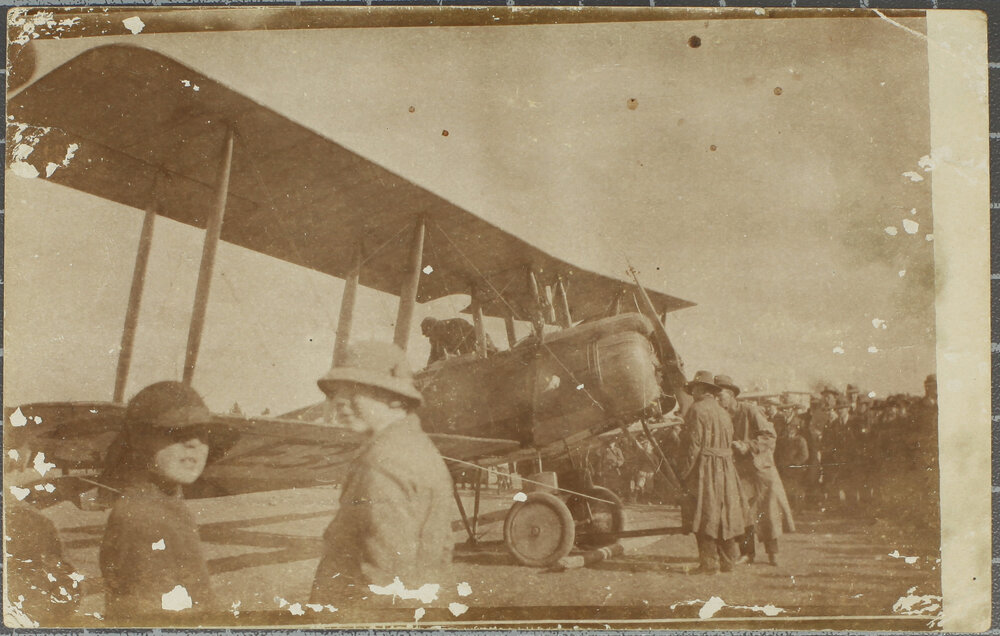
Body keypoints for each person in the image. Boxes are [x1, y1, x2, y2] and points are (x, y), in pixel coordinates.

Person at [310, 341, 454, 618]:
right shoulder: (423, 450)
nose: (339, 402)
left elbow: (384, 582)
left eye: (354, 389)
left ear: (395, 398)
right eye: (337, 392)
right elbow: (442, 550)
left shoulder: (381, 464)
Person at [99, 381, 229, 622]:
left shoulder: (164, 506)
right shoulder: (144, 521)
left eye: (202, 433)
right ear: (138, 441)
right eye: (176, 432)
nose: (194, 443)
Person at [716, 375, 794, 566]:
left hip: (761, 470)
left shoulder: (749, 410)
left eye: (720, 395)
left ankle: (773, 552)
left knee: (768, 511)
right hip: (740, 473)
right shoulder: (720, 416)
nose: (717, 400)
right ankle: (747, 553)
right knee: (743, 512)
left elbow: (769, 436)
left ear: (731, 395)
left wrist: (748, 445)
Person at [677, 370, 746, 575]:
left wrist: (684, 472)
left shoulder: (696, 409)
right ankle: (728, 562)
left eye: (694, 388)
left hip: (705, 468)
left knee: (704, 514)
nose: (692, 392)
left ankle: (709, 565)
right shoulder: (723, 412)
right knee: (725, 513)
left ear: (701, 389)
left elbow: (694, 445)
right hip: (726, 469)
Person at [420, 316, 497, 365]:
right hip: (463, 363)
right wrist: (427, 369)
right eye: (428, 336)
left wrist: (490, 348)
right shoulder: (435, 339)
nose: (431, 338)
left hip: (479, 354)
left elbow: (482, 335)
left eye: (430, 334)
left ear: (436, 327)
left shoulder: (456, 323)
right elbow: (433, 356)